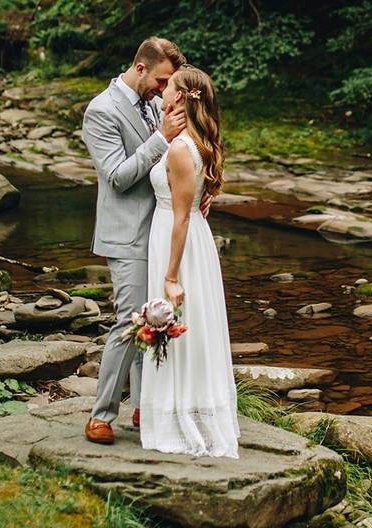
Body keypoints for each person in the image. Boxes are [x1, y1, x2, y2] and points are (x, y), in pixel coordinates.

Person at [81, 37, 192, 445]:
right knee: (129, 324)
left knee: (157, 318)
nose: (164, 91)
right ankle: (101, 415)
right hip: (127, 234)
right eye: (161, 81)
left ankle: (146, 407)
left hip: (159, 231)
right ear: (141, 68)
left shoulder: (150, 103)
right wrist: (161, 137)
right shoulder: (101, 110)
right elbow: (118, 176)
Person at [138, 65, 239, 458]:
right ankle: (192, 411)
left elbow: (180, 215)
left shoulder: (181, 148)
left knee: (180, 323)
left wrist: (170, 275)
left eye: (170, 87)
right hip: (187, 235)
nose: (163, 91)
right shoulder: (190, 140)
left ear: (180, 97)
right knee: (192, 329)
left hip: (177, 241)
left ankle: (181, 419)